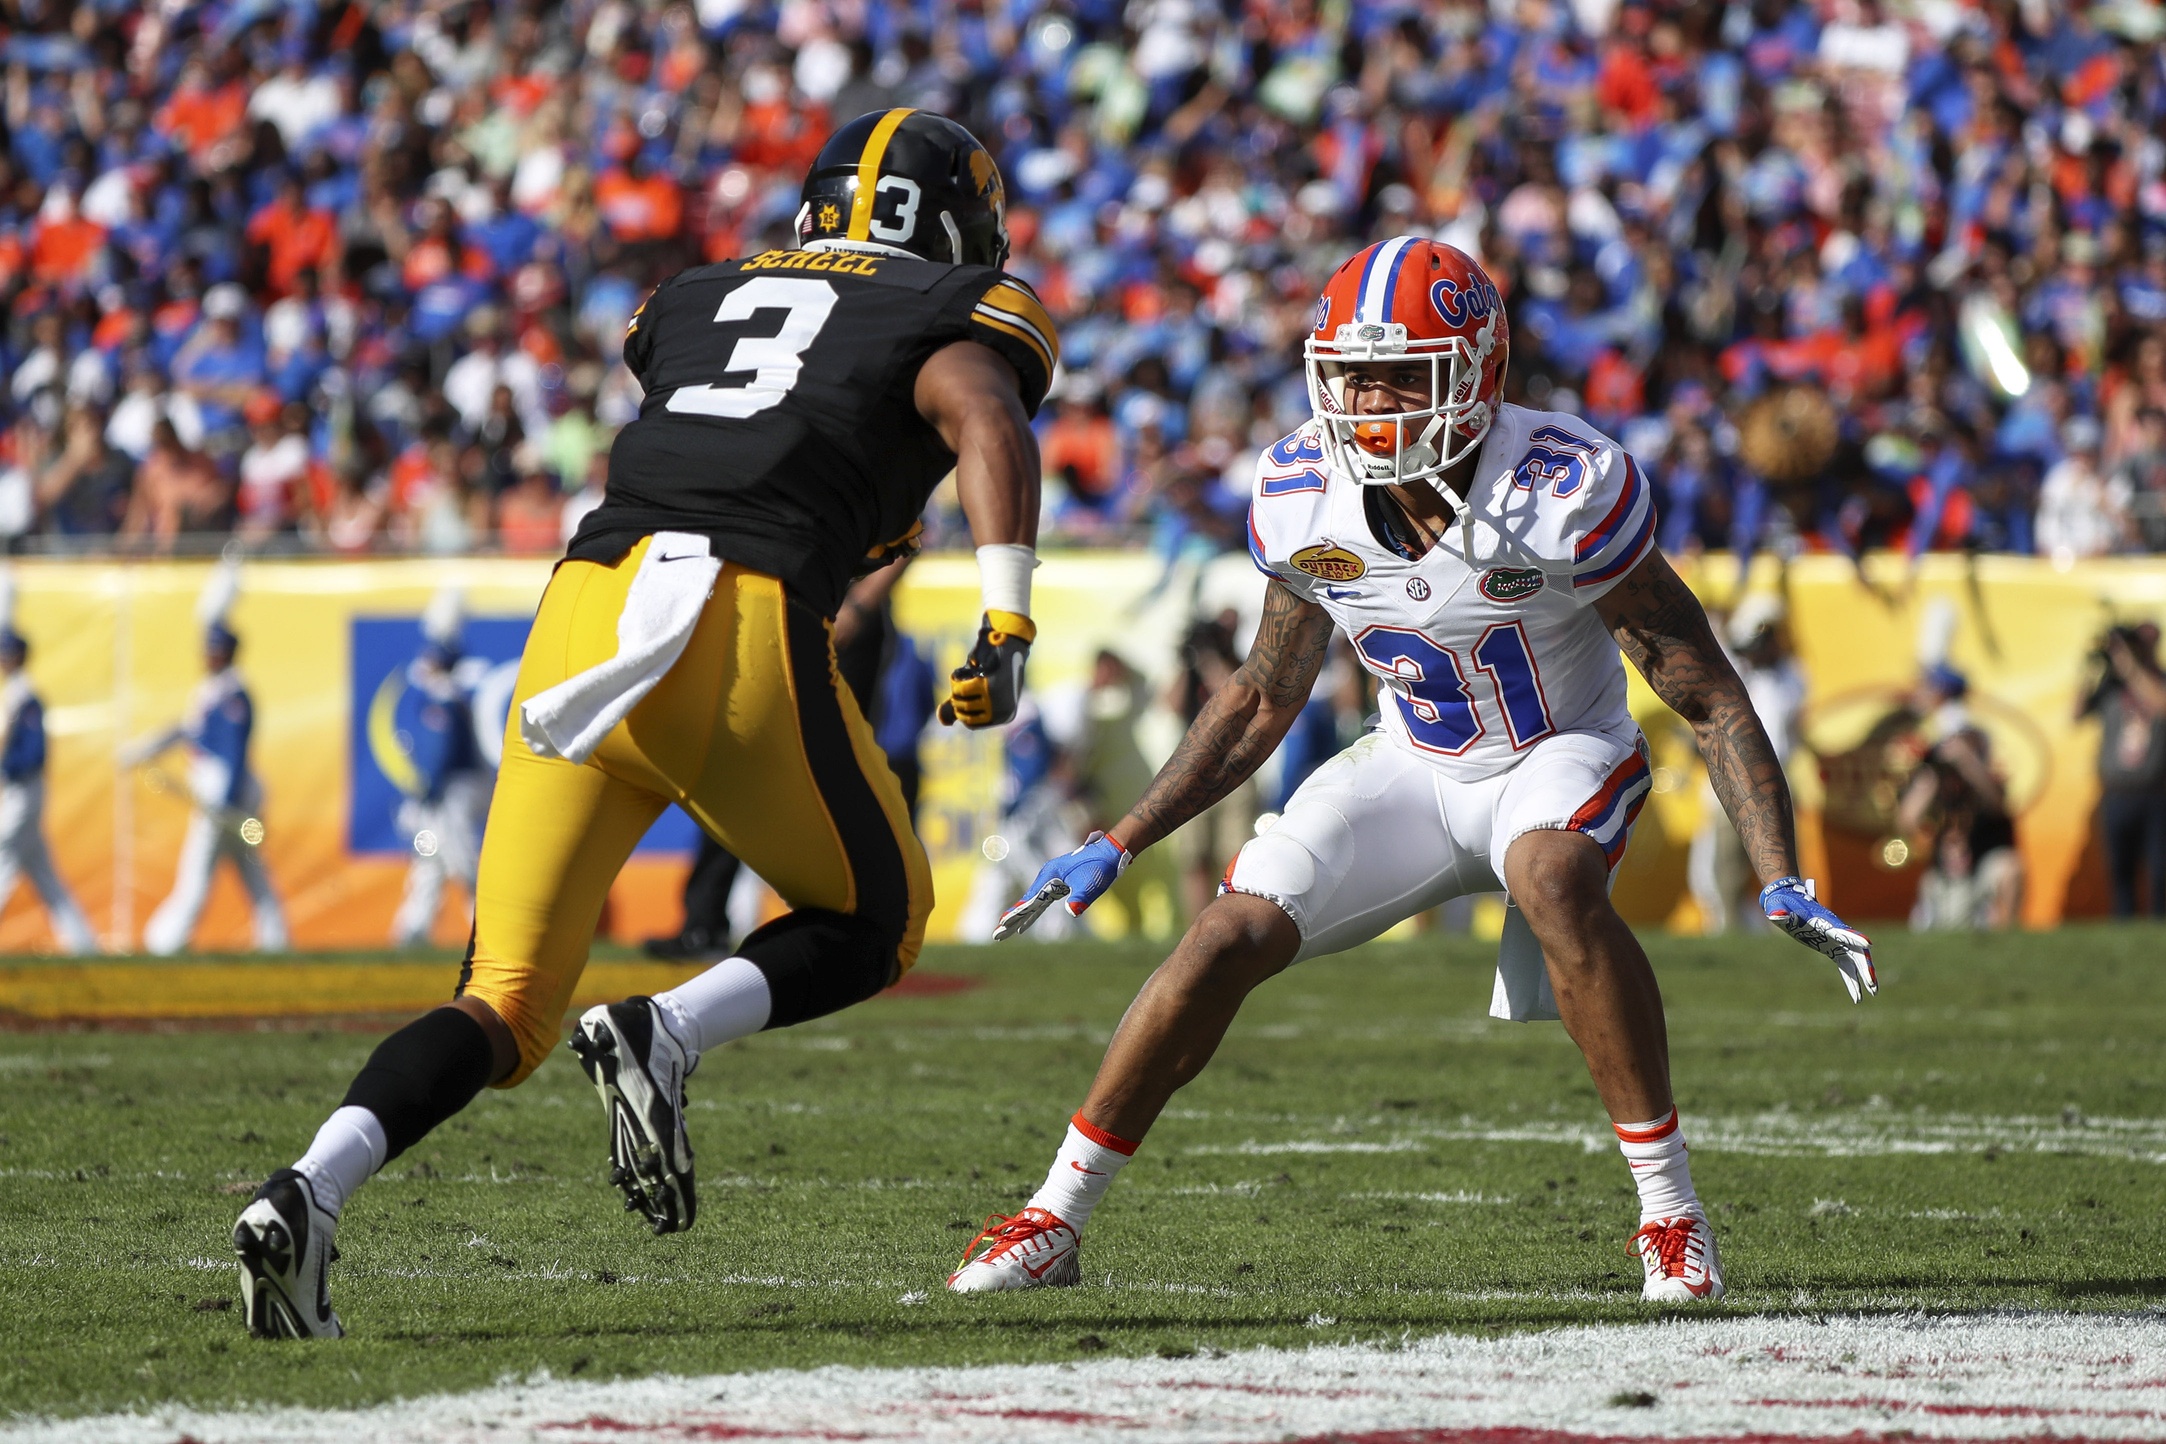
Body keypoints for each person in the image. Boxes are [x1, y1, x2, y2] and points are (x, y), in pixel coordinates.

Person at [232, 110, 1057, 1340]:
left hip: (582, 609)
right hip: (734, 612)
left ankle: (307, 1187)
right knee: (879, 921)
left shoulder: (695, 294)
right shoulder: (941, 307)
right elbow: (983, 412)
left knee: (503, 997)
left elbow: (743, 406)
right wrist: (1009, 618)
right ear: (950, 229)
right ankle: (667, 1027)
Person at [954, 239, 1875, 1305]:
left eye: (1405, 372)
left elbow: (1703, 688)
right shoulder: (1304, 491)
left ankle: (1670, 1214)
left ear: (1480, 372)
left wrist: (1780, 872)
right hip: (1415, 761)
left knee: (1549, 877)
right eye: (1353, 371)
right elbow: (1262, 692)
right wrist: (1117, 839)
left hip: (1559, 749)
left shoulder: (1564, 486)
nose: (1371, 398)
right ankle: (1054, 1218)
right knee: (1222, 934)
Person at [128, 575, 290, 957]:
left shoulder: (234, 692)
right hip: (217, 790)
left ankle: (165, 942)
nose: (205, 654)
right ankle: (276, 940)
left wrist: (225, 801)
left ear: (226, 653)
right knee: (252, 873)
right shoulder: (212, 690)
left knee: (197, 872)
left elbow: (234, 752)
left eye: (212, 649)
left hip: (226, 793)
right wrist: (146, 749)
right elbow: (188, 731)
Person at [1688, 594, 1808, 932]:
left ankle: (1788, 937)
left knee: (1780, 872)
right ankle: (1731, 933)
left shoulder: (1791, 676)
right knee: (1726, 873)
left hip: (1775, 780)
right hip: (1734, 782)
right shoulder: (1740, 672)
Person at [389, 592, 494, 948]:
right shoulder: (451, 694)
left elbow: (441, 754)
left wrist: (427, 791)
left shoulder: (445, 698)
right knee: (429, 862)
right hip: (448, 793)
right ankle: (412, 932)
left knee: (465, 865)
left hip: (453, 794)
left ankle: (493, 936)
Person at [0, 609, 98, 955]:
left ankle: (84, 944)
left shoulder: (25, 696)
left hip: (23, 793)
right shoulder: (13, 694)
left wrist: (6, 768)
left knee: (3, 861)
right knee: (45, 876)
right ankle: (84, 944)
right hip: (18, 792)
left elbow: (32, 754)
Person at [1898, 665, 2021, 930]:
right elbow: (1907, 820)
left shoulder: (1981, 759)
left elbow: (1999, 806)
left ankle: (2009, 940)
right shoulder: (1931, 764)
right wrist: (1933, 776)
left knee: (2010, 869)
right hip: (1945, 871)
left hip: (1981, 863)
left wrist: (1968, 761)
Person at [2078, 624, 2166, 918]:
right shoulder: (2110, 686)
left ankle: (2158, 927)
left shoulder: (2156, 680)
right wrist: (2088, 671)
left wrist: (2131, 667)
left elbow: (2161, 705)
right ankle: (2123, 928)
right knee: (2120, 870)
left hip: (2155, 793)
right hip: (2116, 793)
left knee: (2159, 869)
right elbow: (2075, 715)